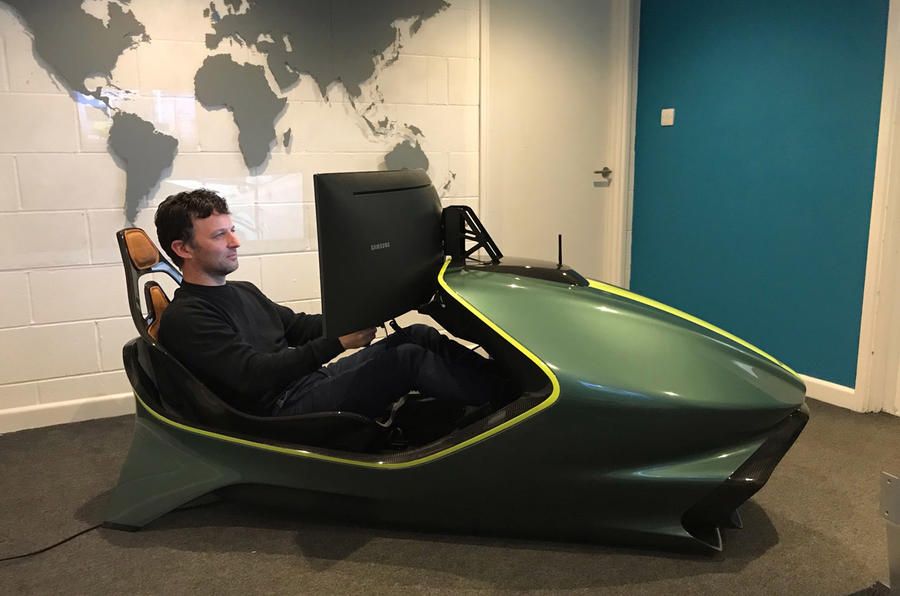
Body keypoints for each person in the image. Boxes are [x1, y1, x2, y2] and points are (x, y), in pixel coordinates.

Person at [154, 188, 514, 420]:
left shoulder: (242, 290)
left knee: (417, 335)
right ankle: (513, 410)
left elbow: (299, 327)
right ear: (183, 249)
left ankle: (512, 390)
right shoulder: (187, 317)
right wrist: (337, 343)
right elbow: (254, 375)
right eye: (220, 235)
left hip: (305, 384)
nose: (235, 242)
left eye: (232, 230)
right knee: (407, 359)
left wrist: (361, 311)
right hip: (278, 411)